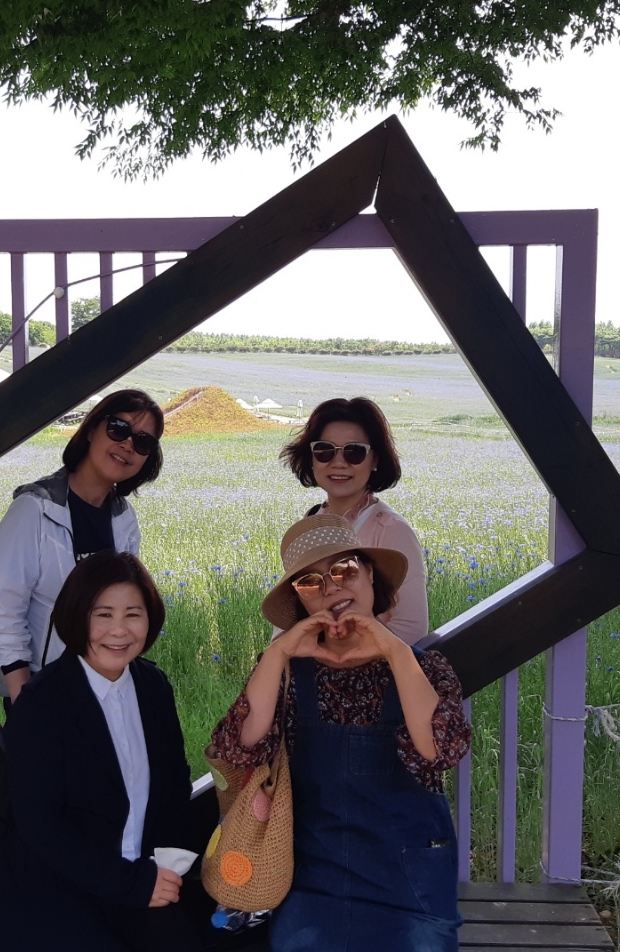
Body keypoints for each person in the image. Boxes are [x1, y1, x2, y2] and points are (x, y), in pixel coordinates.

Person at [209, 514, 472, 952]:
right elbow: (239, 749)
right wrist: (278, 653)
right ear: (300, 600)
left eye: (345, 570)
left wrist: (393, 649)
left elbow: (438, 751)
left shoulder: (424, 667)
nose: (331, 587)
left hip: (410, 881)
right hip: (314, 876)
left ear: (370, 574)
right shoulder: (288, 673)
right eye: (310, 581)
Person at [0, 552, 203, 952]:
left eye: (132, 614)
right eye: (103, 615)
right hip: (53, 885)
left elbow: (174, 787)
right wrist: (130, 884)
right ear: (76, 616)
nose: (118, 631)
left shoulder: (154, 687)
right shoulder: (41, 702)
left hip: (140, 876)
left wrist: (164, 868)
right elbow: (40, 827)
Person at [0, 389, 164, 705]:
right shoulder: (34, 510)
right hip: (44, 689)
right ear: (91, 429)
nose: (128, 445)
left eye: (143, 442)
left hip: (105, 689)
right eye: (118, 429)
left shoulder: (123, 518)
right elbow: (6, 611)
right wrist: (24, 698)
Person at [279, 396, 428, 644]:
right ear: (312, 458)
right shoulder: (312, 521)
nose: (339, 463)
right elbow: (291, 611)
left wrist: (342, 656)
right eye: (325, 451)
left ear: (375, 460)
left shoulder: (392, 530)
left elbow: (412, 629)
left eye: (355, 452)